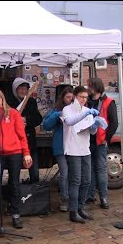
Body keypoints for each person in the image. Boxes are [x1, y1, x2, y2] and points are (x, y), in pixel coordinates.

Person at [0, 88, 32, 229]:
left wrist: (26, 153)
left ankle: (16, 214)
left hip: (14, 152)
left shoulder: (13, 113)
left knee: (14, 184)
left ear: (3, 99)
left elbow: (21, 134)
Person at [61, 86, 100, 223]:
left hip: (85, 149)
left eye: (85, 97)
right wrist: (86, 114)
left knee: (87, 180)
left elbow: (91, 131)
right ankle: (73, 210)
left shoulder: (86, 110)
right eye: (81, 97)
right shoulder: (67, 109)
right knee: (75, 180)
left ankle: (81, 207)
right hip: (72, 149)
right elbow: (70, 122)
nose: (84, 100)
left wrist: (95, 125)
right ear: (75, 97)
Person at [86, 77, 118, 209]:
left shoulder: (109, 102)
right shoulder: (87, 102)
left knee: (100, 169)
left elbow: (114, 122)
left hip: (100, 140)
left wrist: (106, 139)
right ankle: (90, 195)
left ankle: (103, 197)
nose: (88, 88)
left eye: (90, 86)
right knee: (90, 169)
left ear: (96, 87)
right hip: (87, 140)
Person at [42, 84, 74, 212]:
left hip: (73, 147)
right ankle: (64, 199)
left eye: (72, 98)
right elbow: (46, 125)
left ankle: (74, 198)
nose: (70, 100)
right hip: (60, 147)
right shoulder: (56, 110)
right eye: (67, 97)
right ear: (63, 98)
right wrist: (57, 115)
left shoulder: (76, 109)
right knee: (64, 173)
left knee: (74, 174)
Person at [7, 78, 42, 184]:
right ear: (15, 89)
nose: (23, 91)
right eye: (20, 89)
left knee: (34, 170)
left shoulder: (31, 102)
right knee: (13, 172)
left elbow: (37, 118)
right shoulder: (9, 102)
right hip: (14, 142)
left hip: (29, 140)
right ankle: (13, 194)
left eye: (25, 89)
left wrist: (26, 119)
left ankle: (35, 193)